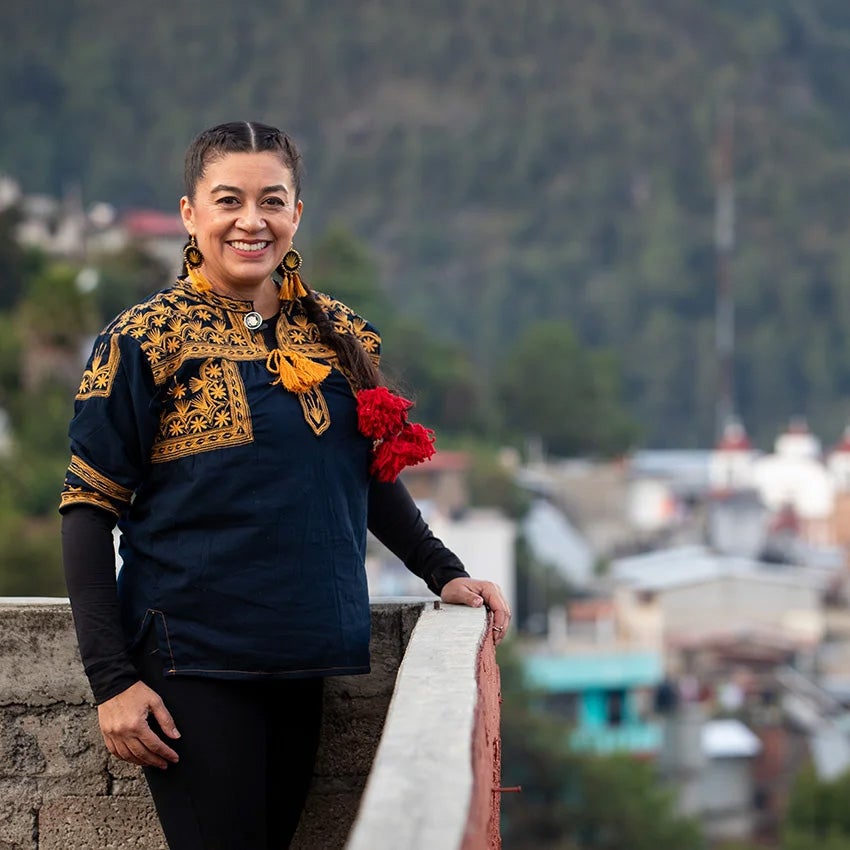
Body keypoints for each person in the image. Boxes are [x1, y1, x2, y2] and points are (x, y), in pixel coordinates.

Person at [60, 121, 511, 850]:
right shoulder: (143, 340)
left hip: (304, 654)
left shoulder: (335, 333)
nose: (251, 220)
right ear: (190, 214)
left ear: (296, 213)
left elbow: (366, 474)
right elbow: (87, 511)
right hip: (192, 661)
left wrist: (443, 571)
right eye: (228, 200)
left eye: (271, 200)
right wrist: (112, 682)